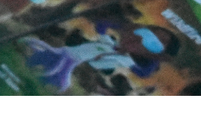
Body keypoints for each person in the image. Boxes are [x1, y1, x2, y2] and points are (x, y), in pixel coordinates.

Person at [24, 22, 180, 92]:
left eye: (154, 44)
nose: (140, 40)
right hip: (69, 54)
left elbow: (100, 64)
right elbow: (102, 33)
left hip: (77, 63)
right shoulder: (112, 42)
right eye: (146, 33)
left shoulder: (126, 62)